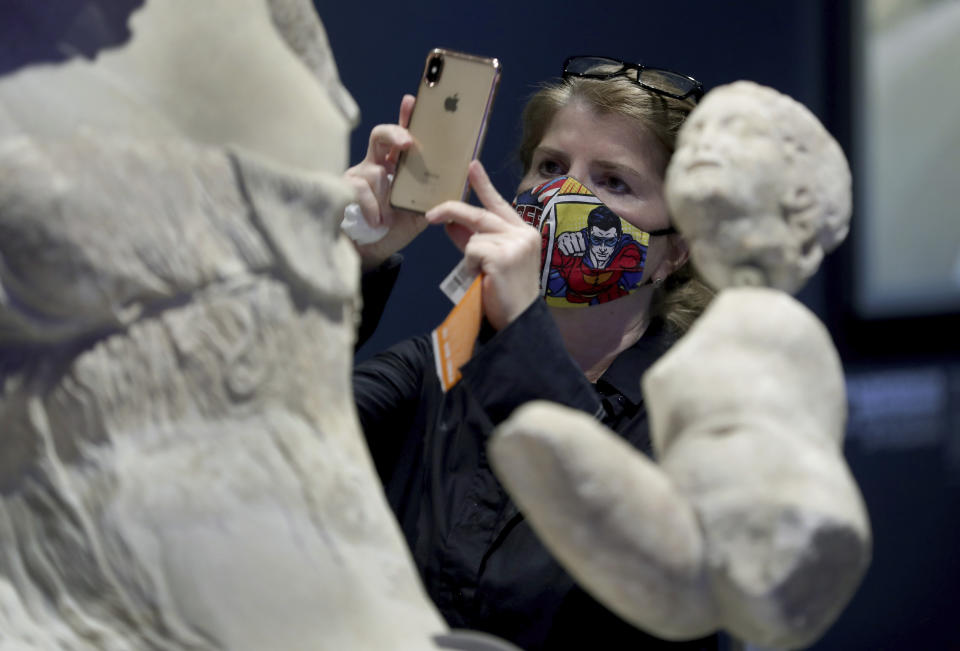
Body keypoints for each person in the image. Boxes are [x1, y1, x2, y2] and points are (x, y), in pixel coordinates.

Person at [345, 55, 717, 650]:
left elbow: (636, 576)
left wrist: (525, 334)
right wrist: (346, 264)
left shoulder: (697, 424)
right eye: (549, 166)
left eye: (614, 181)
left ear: (675, 251)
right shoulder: (439, 368)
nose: (563, 197)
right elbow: (258, 428)